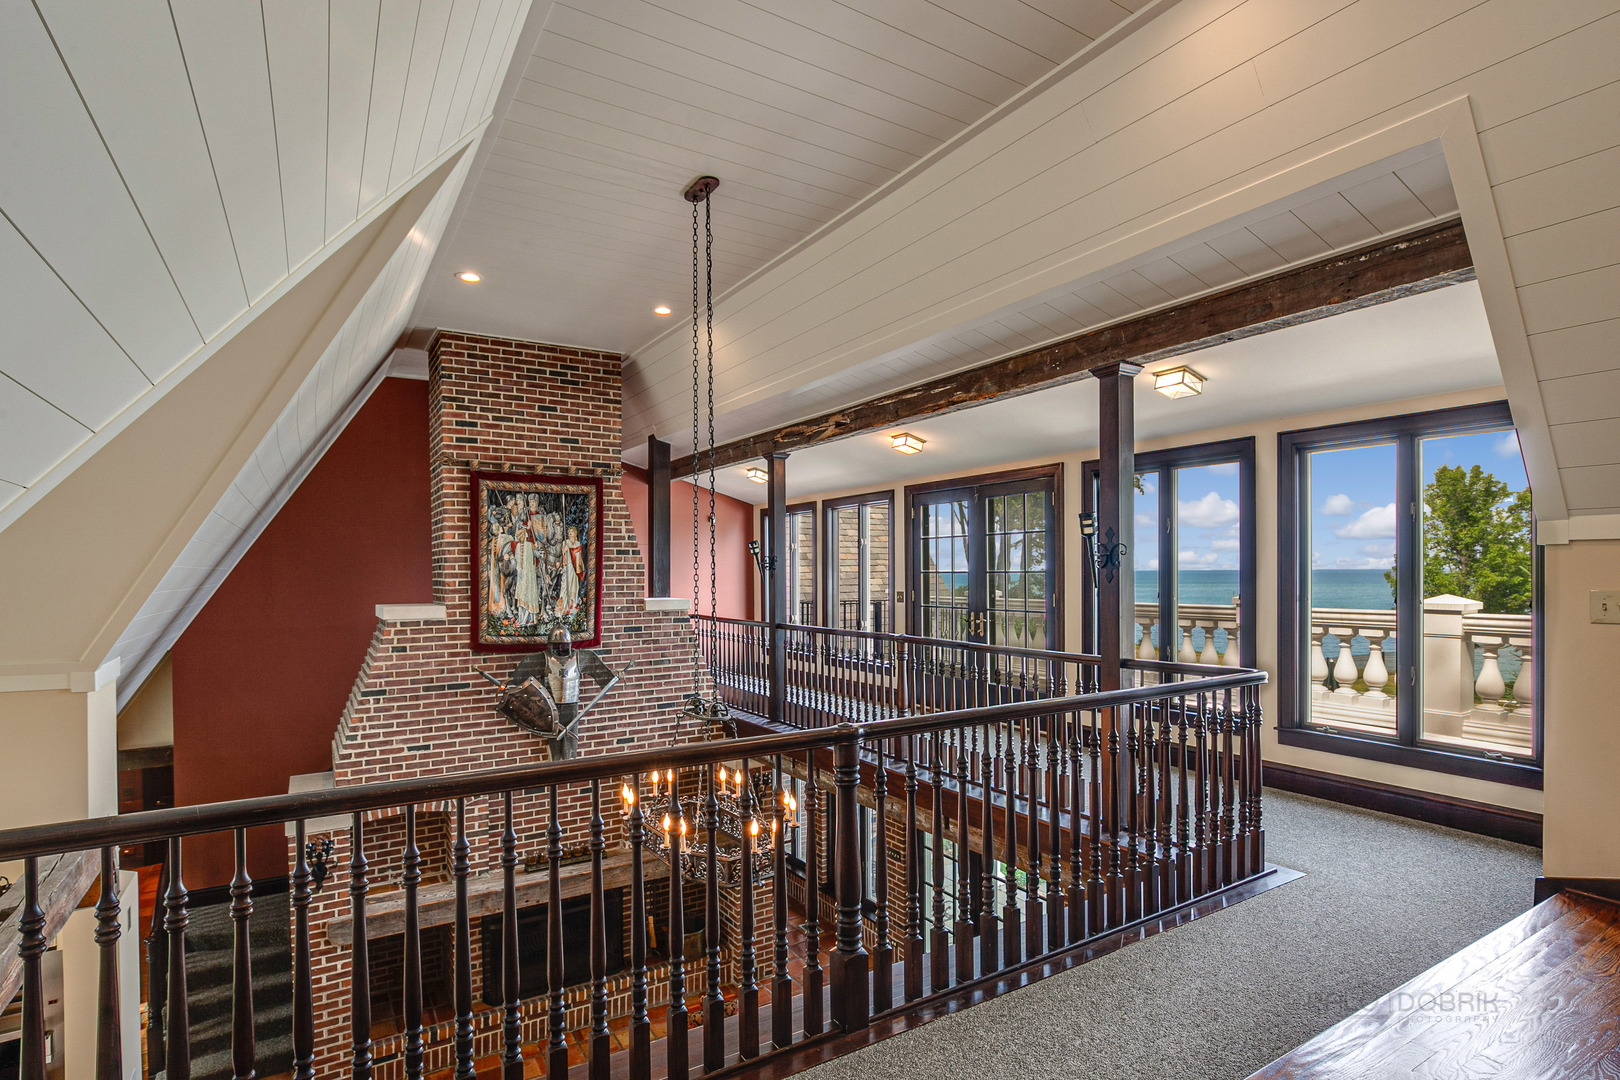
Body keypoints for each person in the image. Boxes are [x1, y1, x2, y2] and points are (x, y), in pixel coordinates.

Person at [557, 525, 584, 617]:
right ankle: (564, 606)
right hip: (568, 566)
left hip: (574, 567)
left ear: (575, 533)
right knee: (566, 586)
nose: (570, 533)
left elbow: (579, 557)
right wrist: (564, 551)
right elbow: (563, 555)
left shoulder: (577, 543)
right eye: (569, 532)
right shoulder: (566, 542)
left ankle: (572, 606)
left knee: (573, 586)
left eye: (572, 531)